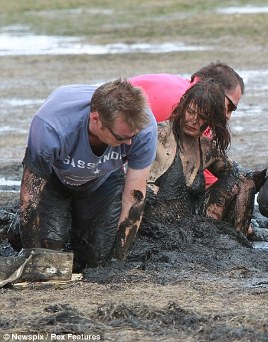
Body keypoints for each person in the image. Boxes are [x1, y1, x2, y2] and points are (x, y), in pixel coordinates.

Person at [8, 78, 158, 269]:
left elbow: (134, 198)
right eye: (121, 138)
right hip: (55, 178)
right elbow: (31, 198)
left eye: (133, 137)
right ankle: (16, 228)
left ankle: (78, 226)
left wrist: (116, 263)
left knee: (97, 259)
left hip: (103, 179)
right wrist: (33, 259)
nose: (129, 144)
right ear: (96, 119)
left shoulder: (143, 129)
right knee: (49, 248)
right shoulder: (51, 125)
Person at [130, 61, 244, 187]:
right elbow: (199, 172)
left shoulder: (187, 94)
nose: (228, 115)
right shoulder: (184, 106)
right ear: (215, 90)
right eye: (230, 107)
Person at [144, 79, 232, 225]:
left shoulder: (206, 149)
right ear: (183, 105)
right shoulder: (158, 135)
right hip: (151, 227)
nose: (193, 120)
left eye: (203, 117)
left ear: (212, 120)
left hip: (188, 229)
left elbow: (235, 174)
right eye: (190, 111)